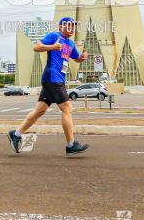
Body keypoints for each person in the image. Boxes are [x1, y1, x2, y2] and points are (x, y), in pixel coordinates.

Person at [7, 17, 89, 155]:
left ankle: (16, 134)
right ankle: (70, 145)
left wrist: (81, 57)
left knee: (39, 111)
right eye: (69, 25)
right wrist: (53, 47)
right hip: (53, 77)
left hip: (56, 79)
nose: (71, 28)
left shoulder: (70, 43)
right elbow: (36, 47)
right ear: (61, 27)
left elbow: (76, 58)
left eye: (73, 26)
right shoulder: (54, 36)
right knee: (67, 108)